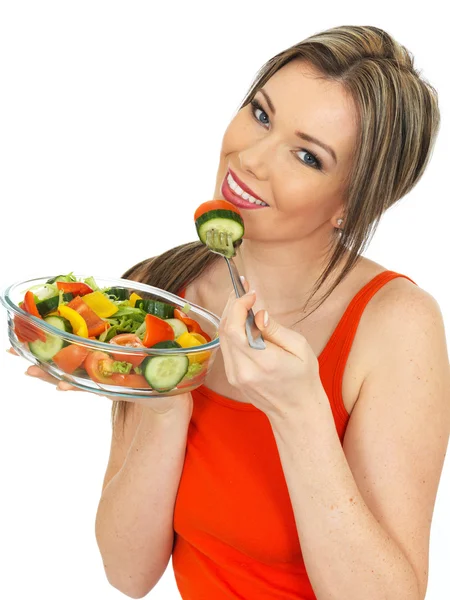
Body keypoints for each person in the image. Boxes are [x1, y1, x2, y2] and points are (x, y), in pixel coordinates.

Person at [25, 25, 449, 600]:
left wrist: (301, 414)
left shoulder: (397, 326)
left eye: (306, 155)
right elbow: (128, 573)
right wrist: (165, 396)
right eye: (261, 113)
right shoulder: (162, 294)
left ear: (350, 205)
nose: (249, 158)